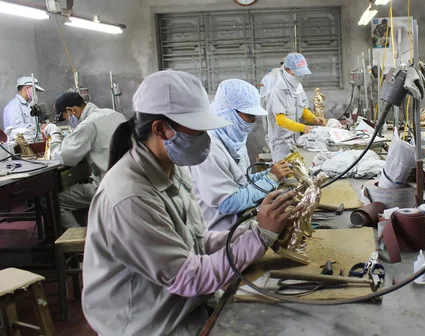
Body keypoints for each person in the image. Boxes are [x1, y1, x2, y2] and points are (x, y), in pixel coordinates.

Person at [82, 69, 301, 336]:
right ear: (161, 129)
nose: (206, 140)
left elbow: (197, 242)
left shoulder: (172, 170)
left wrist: (253, 232)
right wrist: (260, 238)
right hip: (150, 326)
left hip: (185, 307)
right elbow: (190, 277)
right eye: (198, 130)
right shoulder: (131, 197)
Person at [188, 79, 293, 231]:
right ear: (229, 112)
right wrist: (270, 179)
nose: (253, 121)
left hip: (238, 221)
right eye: (249, 115)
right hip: (218, 233)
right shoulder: (209, 149)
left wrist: (270, 173)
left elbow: (242, 182)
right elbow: (228, 202)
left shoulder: (234, 140)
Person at [43, 92, 126, 228]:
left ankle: (79, 243)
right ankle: (90, 227)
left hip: (106, 187)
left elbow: (62, 157)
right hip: (126, 181)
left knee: (53, 200)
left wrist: (55, 134)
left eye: (65, 117)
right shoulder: (114, 114)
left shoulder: (88, 124)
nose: (67, 120)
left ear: (71, 110)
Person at [264, 53, 327, 161]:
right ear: (287, 69)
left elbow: (302, 109)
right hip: (281, 143)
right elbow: (280, 120)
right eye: (297, 72)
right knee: (284, 173)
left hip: (295, 140)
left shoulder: (297, 85)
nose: (300, 76)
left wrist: (314, 119)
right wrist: (304, 128)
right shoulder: (277, 90)